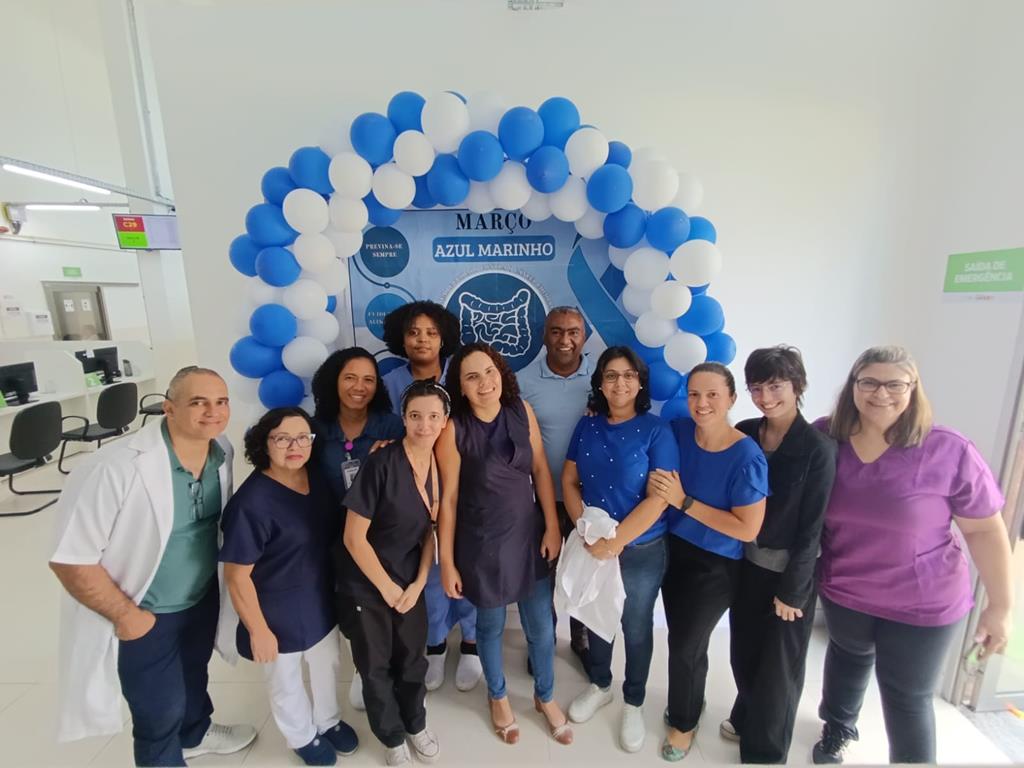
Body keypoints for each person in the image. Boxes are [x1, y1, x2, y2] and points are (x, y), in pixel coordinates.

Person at [811, 346, 1013, 765]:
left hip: (923, 601)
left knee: (906, 696)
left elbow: (984, 530)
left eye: (895, 384)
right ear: (853, 386)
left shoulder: (949, 449)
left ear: (913, 388)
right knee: (847, 658)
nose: (880, 393)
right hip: (845, 588)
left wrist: (1000, 606)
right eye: (869, 382)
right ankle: (837, 727)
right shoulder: (826, 437)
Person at [49, 366, 257, 767]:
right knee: (158, 709)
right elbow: (70, 558)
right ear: (169, 408)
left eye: (221, 402)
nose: (213, 412)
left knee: (194, 674)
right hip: (144, 610)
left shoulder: (221, 450)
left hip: (200, 598)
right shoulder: (114, 467)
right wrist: (127, 616)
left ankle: (195, 733)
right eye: (198, 402)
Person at [437, 342, 573, 746]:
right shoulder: (453, 429)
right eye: (472, 377)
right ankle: (497, 696)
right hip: (481, 542)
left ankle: (545, 696)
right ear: (460, 387)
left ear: (501, 373)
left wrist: (552, 526)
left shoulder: (521, 410)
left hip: (528, 535)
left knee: (542, 628)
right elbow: (448, 500)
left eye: (490, 371)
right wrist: (447, 560)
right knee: (490, 626)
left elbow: (541, 471)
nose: (484, 383)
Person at [220, 408, 359, 766]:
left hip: (318, 598)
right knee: (285, 679)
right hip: (274, 610)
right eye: (282, 439)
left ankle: (328, 720)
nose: (294, 447)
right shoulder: (251, 504)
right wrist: (258, 630)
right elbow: (236, 576)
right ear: (264, 443)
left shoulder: (315, 478)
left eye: (302, 438)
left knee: (327, 664)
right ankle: (302, 736)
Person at [720, 346, 837, 763]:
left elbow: (812, 528)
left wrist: (794, 590)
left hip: (788, 575)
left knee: (779, 670)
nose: (765, 398)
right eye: (756, 388)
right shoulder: (746, 431)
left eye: (775, 386)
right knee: (744, 651)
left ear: (797, 386)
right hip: (744, 565)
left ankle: (765, 752)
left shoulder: (818, 448)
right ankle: (746, 713)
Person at [649, 362, 769, 762]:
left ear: (731, 398)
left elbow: (747, 529)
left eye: (713, 394)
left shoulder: (746, 456)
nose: (702, 403)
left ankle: (683, 723)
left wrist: (684, 502)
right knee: (682, 639)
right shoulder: (679, 431)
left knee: (686, 644)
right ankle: (690, 700)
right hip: (673, 550)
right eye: (694, 394)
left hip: (716, 565)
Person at [561, 346, 678, 753]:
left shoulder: (657, 430)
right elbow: (569, 480)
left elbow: (659, 498)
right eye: (611, 375)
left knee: (635, 625)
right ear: (600, 383)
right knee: (597, 618)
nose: (620, 383)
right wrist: (584, 529)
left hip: (640, 549)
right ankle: (600, 684)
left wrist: (616, 543)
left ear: (641, 382)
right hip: (593, 543)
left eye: (629, 375)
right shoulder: (587, 425)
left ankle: (634, 700)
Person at [340, 380, 450, 766]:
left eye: (433, 417)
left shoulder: (440, 466)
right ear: (404, 418)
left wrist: (418, 583)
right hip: (366, 580)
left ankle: (415, 724)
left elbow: (428, 533)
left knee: (413, 658)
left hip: (408, 578)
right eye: (416, 416)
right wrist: (387, 588)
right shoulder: (381, 462)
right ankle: (391, 737)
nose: (424, 425)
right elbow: (353, 538)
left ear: (444, 421)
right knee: (375, 666)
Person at [380, 301, 481, 693]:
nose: (421, 340)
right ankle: (435, 643)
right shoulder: (389, 383)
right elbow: (383, 431)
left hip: (466, 485)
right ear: (401, 339)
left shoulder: (462, 373)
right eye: (413, 332)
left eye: (431, 333)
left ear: (444, 338)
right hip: (415, 492)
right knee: (433, 570)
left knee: (467, 562)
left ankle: (471, 643)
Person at [311, 347, 404, 711]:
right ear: (333, 381)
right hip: (334, 532)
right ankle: (364, 669)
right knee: (353, 607)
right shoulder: (316, 429)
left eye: (368, 379)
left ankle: (392, 667)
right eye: (350, 377)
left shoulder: (391, 426)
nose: (359, 387)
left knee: (388, 602)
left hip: (383, 534)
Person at [518, 305, 593, 667]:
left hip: (588, 498)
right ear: (544, 335)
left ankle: (581, 637)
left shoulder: (602, 378)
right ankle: (542, 641)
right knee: (541, 576)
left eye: (573, 332)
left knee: (584, 571)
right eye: (556, 331)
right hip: (539, 499)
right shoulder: (523, 381)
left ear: (584, 337)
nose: (565, 340)